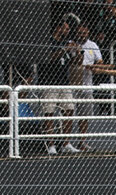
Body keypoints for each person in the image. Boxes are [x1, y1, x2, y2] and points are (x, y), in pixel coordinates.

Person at [39, 15, 79, 155]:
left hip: (64, 81)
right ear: (58, 28)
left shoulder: (66, 43)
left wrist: (77, 53)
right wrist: (64, 49)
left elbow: (74, 63)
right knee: (49, 112)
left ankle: (66, 142)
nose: (68, 31)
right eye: (66, 28)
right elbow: (48, 58)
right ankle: (51, 144)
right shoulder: (48, 41)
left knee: (69, 109)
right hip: (49, 82)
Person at [70, 22, 102, 153]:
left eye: (84, 33)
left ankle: (82, 141)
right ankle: (66, 142)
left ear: (88, 33)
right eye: (80, 33)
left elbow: (100, 61)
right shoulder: (71, 44)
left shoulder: (92, 45)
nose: (82, 35)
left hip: (87, 84)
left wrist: (94, 66)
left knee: (84, 115)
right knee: (69, 112)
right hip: (73, 84)